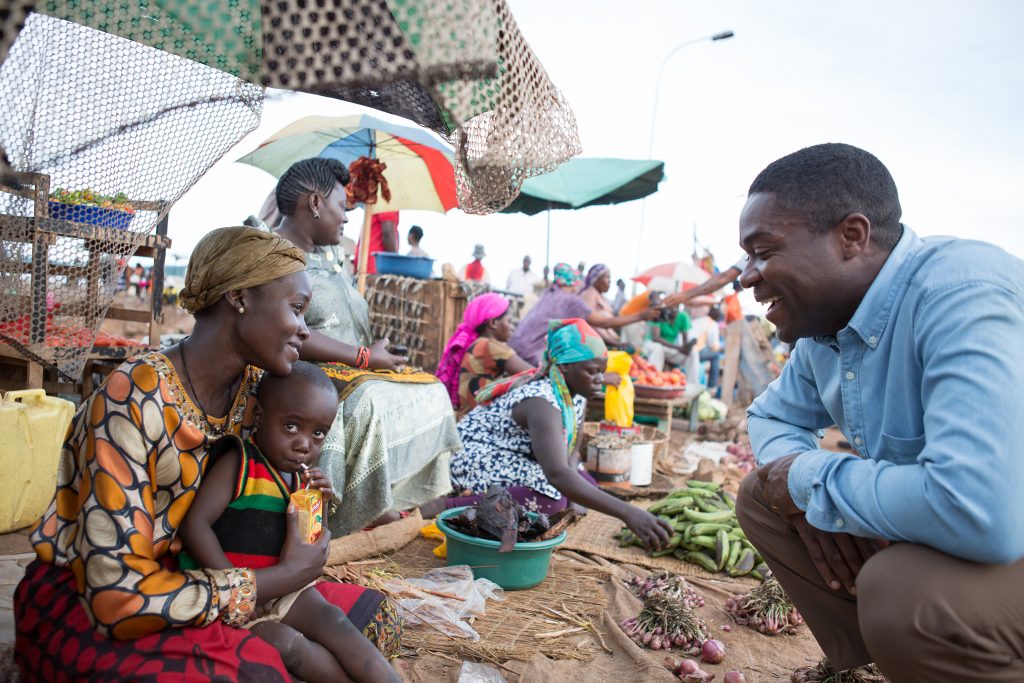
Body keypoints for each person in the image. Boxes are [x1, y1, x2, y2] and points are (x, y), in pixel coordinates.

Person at [13, 227, 401, 680]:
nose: (303, 328)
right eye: (296, 309)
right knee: (257, 671)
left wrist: (306, 517)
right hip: (107, 593)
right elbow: (114, 596)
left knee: (375, 620)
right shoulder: (131, 398)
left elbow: (279, 487)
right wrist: (275, 581)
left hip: (212, 575)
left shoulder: (255, 396)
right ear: (239, 297)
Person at [733, 143, 1024, 682]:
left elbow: (982, 513)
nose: (747, 276)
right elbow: (771, 418)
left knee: (903, 591)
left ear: (852, 237)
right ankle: (919, 662)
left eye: (764, 251)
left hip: (1002, 525)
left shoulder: (961, 291)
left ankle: (959, 649)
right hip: (987, 532)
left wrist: (810, 480)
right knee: (764, 496)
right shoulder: (826, 332)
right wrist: (799, 494)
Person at [179, 361, 401, 683]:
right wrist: (236, 589)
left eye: (318, 434)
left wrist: (321, 504)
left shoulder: (300, 478)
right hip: (237, 600)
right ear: (259, 417)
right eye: (292, 427)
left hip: (288, 591)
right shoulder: (239, 463)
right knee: (285, 645)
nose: (304, 444)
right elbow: (194, 526)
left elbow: (309, 538)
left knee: (336, 622)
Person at [272, 158, 461, 534]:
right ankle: (350, 513)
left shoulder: (331, 256)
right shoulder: (275, 256)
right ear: (313, 203)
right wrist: (363, 357)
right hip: (300, 374)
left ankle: (386, 497)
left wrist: (374, 351)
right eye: (341, 207)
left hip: (351, 366)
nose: (346, 217)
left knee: (433, 389)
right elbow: (284, 333)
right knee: (368, 401)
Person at [439, 319, 673, 550]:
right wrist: (628, 513)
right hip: (476, 455)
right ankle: (448, 505)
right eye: (593, 372)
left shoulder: (574, 394)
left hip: (516, 455)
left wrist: (576, 495)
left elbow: (571, 453)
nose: (600, 381)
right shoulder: (542, 401)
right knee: (551, 501)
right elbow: (557, 474)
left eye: (602, 372)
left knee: (585, 483)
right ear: (565, 367)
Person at [509, 263, 660, 366]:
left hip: (516, 347)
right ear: (574, 282)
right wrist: (641, 316)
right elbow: (602, 323)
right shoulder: (571, 300)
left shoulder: (551, 293)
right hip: (531, 354)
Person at [435, 292, 533, 413]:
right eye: (509, 321)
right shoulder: (488, 346)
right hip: (480, 420)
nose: (512, 327)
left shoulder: (477, 344)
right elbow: (534, 374)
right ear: (493, 323)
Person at [578, 263, 623, 346]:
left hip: (603, 343)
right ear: (596, 279)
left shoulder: (600, 296)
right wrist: (614, 343)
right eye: (607, 277)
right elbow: (588, 324)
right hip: (595, 346)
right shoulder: (590, 294)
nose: (610, 280)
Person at [687, 296, 723, 390]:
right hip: (694, 351)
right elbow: (713, 345)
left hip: (683, 348)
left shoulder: (693, 320)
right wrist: (720, 348)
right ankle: (712, 386)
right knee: (716, 355)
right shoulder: (712, 323)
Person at [356, 210, 399, 275]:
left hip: (367, 264)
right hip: (375, 267)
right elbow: (388, 233)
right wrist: (396, 264)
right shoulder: (389, 201)